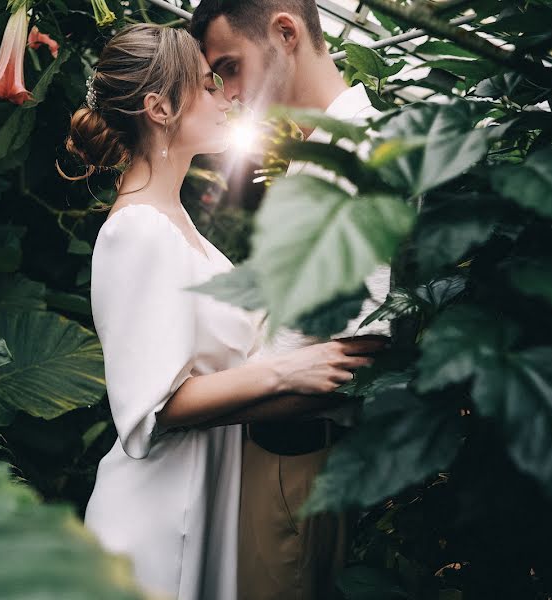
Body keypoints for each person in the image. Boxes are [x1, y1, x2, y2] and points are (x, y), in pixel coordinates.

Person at [61, 23, 384, 600]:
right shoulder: (136, 232)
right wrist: (284, 371)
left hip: (204, 496)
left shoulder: (177, 224)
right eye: (209, 86)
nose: (227, 97)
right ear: (159, 108)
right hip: (158, 520)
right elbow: (150, 409)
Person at [190, 2, 392, 599]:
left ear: (285, 32)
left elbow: (355, 359)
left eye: (230, 66)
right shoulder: (319, 151)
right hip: (278, 457)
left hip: (295, 461)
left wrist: (186, 411)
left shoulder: (355, 154)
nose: (227, 92)